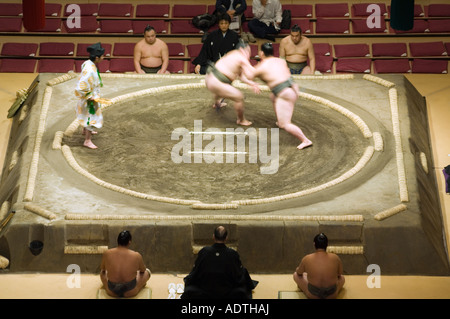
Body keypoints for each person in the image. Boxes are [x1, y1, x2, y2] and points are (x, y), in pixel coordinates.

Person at [250, 42, 312, 149]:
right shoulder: (280, 61)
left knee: (285, 124)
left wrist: (252, 83)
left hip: (285, 94)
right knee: (273, 97)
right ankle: (280, 121)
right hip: (292, 88)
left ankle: (305, 140)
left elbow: (249, 75)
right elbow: (287, 76)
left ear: (261, 53)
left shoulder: (261, 67)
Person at [181, 226, 258, 299]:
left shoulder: (204, 251)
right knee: (243, 273)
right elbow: (237, 275)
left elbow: (196, 271)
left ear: (213, 236)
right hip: (227, 290)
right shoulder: (232, 253)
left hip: (206, 289)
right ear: (226, 238)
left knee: (191, 285)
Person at [204, 40, 260, 126]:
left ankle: (217, 103)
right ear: (242, 50)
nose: (249, 54)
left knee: (223, 87)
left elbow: (241, 76)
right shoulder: (241, 57)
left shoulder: (232, 54)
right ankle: (241, 120)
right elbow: (252, 73)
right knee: (239, 97)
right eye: (248, 51)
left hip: (210, 79)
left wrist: (252, 84)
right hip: (216, 82)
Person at [100, 230, 151, 298]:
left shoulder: (107, 253)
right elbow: (143, 270)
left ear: (118, 241)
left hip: (112, 291)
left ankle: (110, 289)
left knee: (102, 273)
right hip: (130, 292)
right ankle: (137, 287)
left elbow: (103, 269)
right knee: (147, 272)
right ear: (129, 242)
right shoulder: (136, 255)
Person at [293, 233, 345, 299]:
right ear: (327, 244)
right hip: (331, 294)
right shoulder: (335, 257)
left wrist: (298, 269)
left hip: (313, 295)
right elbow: (340, 274)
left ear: (314, 244)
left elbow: (299, 273)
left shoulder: (307, 258)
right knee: (342, 278)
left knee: (295, 275)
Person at [74, 42, 105, 149]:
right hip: (89, 98)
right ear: (96, 58)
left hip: (90, 95)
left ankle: (84, 130)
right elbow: (81, 87)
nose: (103, 58)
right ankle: (87, 140)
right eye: (102, 56)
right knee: (91, 117)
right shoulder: (90, 70)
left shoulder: (87, 63)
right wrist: (89, 96)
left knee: (86, 115)